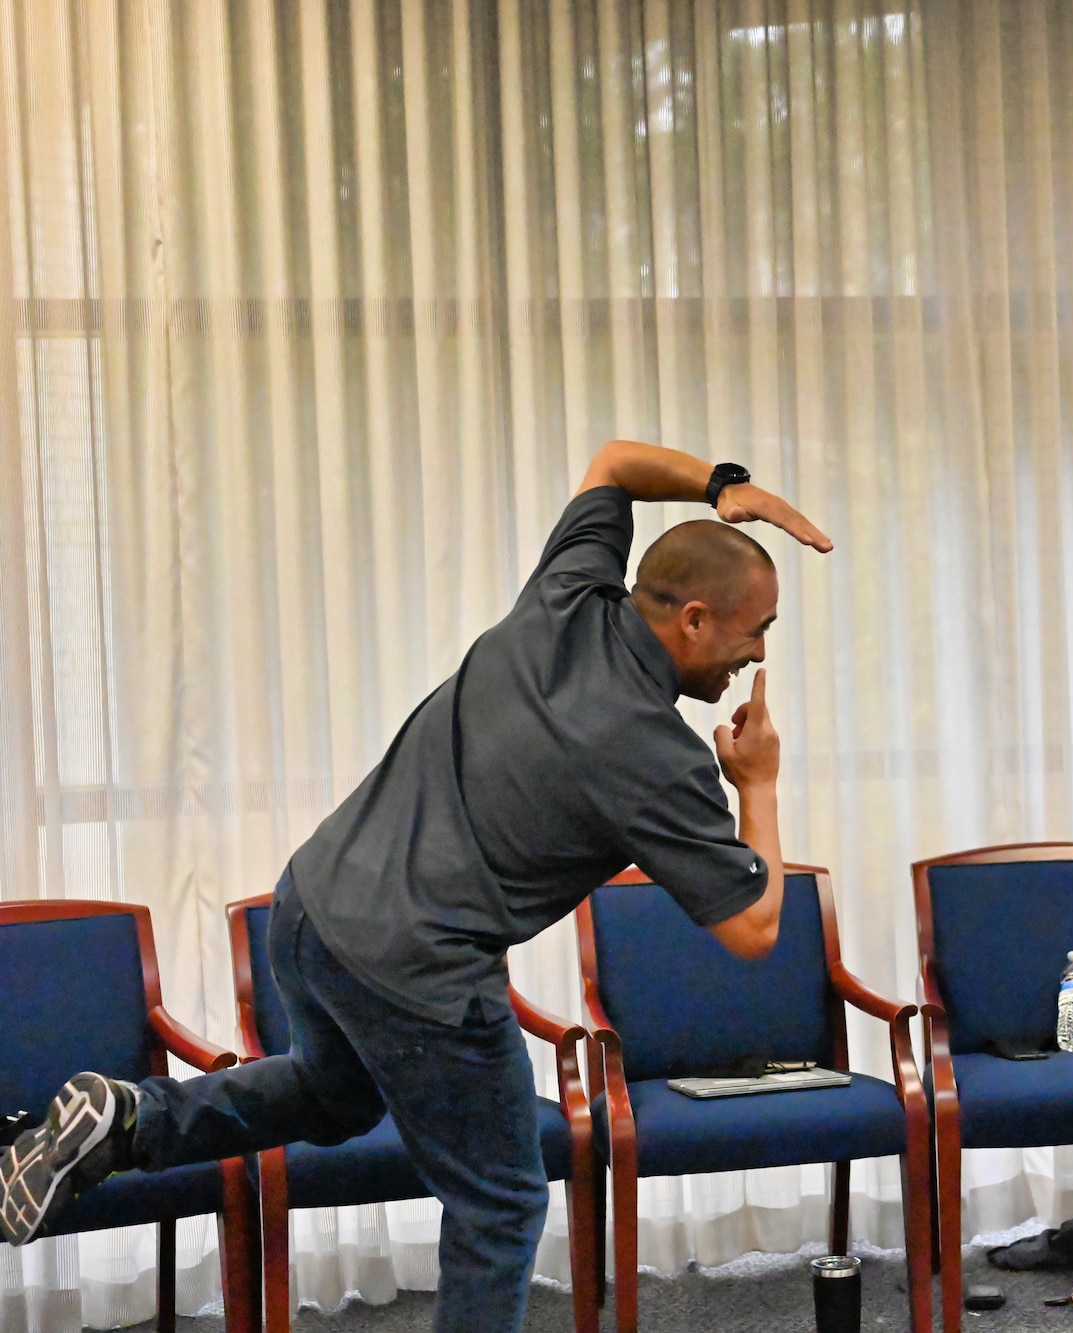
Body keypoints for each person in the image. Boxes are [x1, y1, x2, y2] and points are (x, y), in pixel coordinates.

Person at [0, 441, 831, 1332]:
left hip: (311, 907)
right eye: (758, 631)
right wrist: (759, 786)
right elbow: (753, 928)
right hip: (420, 972)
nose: (756, 654)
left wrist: (720, 485)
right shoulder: (657, 758)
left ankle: (126, 1120)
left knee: (335, 1094)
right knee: (502, 1204)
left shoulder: (567, 597)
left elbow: (614, 462)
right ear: (696, 620)